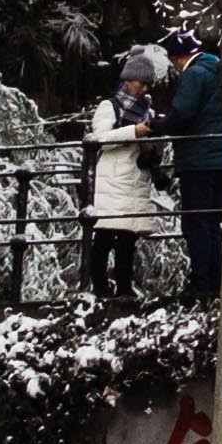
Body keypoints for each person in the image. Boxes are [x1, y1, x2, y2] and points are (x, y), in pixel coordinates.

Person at [84, 44, 174, 310]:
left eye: (148, 85)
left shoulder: (148, 110)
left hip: (136, 181)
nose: (144, 89)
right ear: (128, 80)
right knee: (104, 237)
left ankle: (124, 287)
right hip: (112, 181)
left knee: (127, 239)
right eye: (140, 83)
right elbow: (98, 140)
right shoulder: (109, 107)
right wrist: (134, 131)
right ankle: (99, 288)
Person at [162, 23, 222, 306]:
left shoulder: (194, 74)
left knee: (196, 222)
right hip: (221, 157)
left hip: (198, 159)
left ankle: (202, 282)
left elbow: (182, 112)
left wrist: (159, 125)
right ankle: (215, 279)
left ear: (178, 56)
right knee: (213, 222)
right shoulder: (219, 71)